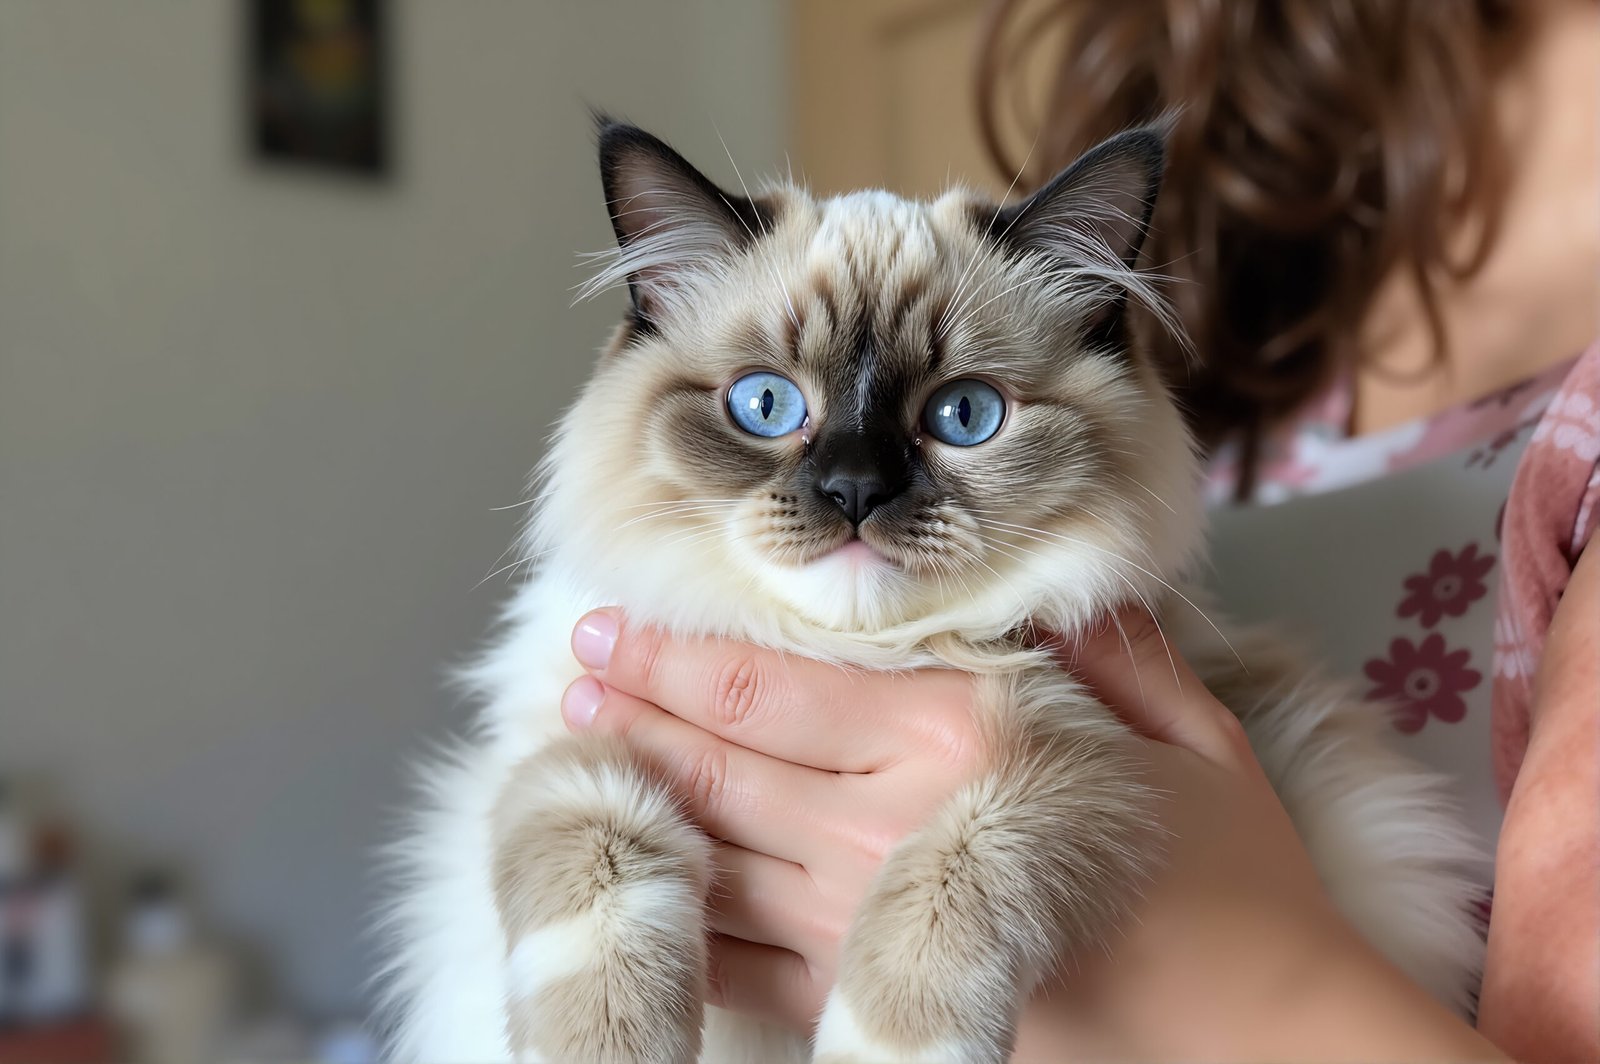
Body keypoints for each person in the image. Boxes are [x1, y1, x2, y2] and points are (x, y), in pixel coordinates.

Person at [555, 1, 1598, 1058]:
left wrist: (1236, 968)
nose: (854, 488)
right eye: (768, 407)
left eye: (958, 415)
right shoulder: (1262, 195)